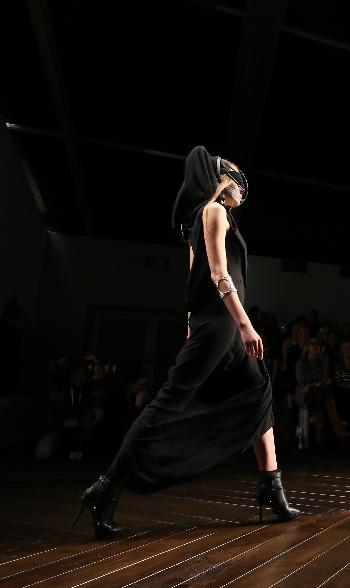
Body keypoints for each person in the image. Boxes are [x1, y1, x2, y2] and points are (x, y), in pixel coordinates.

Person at [73, 146, 299, 539]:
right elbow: (216, 275)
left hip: (214, 323)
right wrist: (245, 324)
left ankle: (271, 489)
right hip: (223, 323)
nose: (243, 185)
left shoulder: (203, 219)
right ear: (222, 181)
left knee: (258, 388)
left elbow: (191, 278)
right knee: (167, 403)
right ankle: (105, 488)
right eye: (237, 176)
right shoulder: (213, 212)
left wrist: (193, 322)